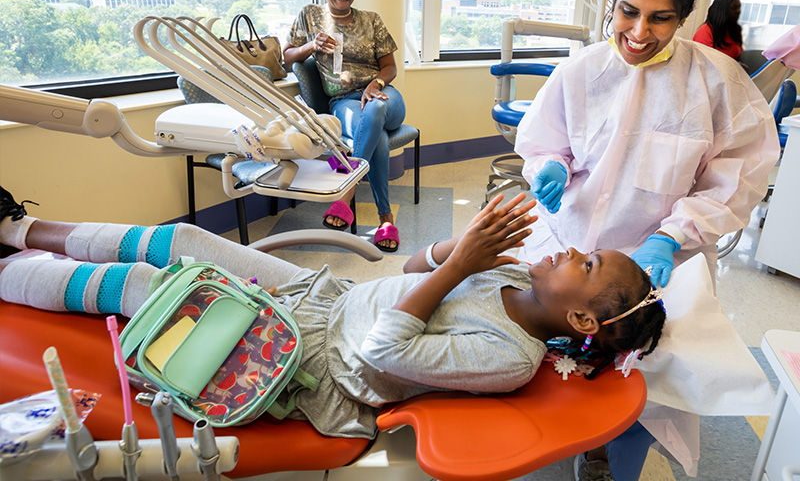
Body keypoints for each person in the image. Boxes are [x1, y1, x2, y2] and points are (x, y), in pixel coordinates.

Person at [0, 186, 665, 440]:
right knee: (183, 242)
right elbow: (406, 273)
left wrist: (462, 267)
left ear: (582, 321)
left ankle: (7, 271)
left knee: (149, 286)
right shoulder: (514, 272)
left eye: (586, 265)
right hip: (325, 300)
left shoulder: (509, 359)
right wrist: (455, 250)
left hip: (313, 363)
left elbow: (382, 352)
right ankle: (18, 227)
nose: (572, 250)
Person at [514, 0, 779, 480]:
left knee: (639, 381)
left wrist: (672, 235)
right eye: (628, 12)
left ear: (684, 17)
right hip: (570, 245)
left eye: (660, 19)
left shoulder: (716, 83)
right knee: (552, 364)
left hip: (659, 264)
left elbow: (740, 177)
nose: (638, 33)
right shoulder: (580, 72)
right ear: (612, 0)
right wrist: (550, 167)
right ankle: (560, 445)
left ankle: (612, 456)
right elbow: (545, 142)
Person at [282, 0, 404, 253]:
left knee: (375, 108)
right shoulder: (309, 16)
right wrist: (311, 46)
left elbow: (390, 67)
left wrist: (376, 84)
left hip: (385, 96)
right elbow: (287, 57)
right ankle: (385, 217)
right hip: (344, 102)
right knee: (377, 135)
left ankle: (346, 192)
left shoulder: (371, 20)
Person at [692, 0, 746, 65]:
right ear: (722, 10)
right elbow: (703, 65)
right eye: (734, 8)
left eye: (739, 7)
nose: (738, 11)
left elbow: (739, 56)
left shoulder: (734, 31)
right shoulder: (705, 31)